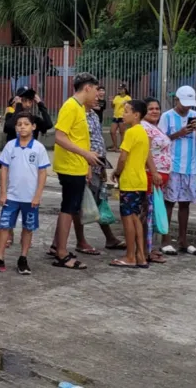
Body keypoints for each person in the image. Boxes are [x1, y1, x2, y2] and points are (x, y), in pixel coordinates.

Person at [0, 114, 49, 275]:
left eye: (26, 124)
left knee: (28, 228)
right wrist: (3, 192)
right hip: (11, 197)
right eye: (19, 124)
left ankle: (23, 258)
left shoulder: (39, 148)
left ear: (33, 127)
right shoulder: (10, 146)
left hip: (30, 198)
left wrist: (37, 196)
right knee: (4, 226)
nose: (22, 127)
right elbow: (4, 169)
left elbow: (42, 173)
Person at [48, 73, 101, 270]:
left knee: (70, 206)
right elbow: (60, 137)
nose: (97, 95)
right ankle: (62, 253)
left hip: (77, 165)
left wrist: (86, 164)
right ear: (87, 88)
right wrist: (84, 155)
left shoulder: (80, 108)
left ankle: (56, 246)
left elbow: (79, 138)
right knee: (69, 208)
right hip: (69, 166)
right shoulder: (70, 106)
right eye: (96, 90)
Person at [157, 86, 196, 256]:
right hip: (172, 166)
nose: (187, 107)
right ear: (176, 100)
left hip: (190, 168)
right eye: (183, 103)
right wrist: (179, 133)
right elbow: (160, 141)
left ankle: (183, 240)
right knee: (169, 203)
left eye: (189, 104)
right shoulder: (167, 116)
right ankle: (165, 239)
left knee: (185, 204)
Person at [73, 92, 124, 256]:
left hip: (98, 164)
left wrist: (102, 167)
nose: (98, 98)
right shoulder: (78, 114)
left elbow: (98, 140)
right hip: (85, 165)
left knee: (100, 201)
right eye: (95, 95)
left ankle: (110, 238)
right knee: (80, 204)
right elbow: (79, 141)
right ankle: (80, 241)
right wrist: (87, 165)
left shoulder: (93, 115)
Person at [111, 100, 151, 268]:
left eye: (126, 111)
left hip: (129, 181)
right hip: (140, 181)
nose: (123, 114)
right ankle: (140, 256)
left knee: (128, 220)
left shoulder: (131, 132)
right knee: (136, 219)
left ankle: (130, 256)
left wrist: (116, 172)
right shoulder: (143, 132)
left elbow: (123, 157)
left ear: (136, 115)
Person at [141, 98, 171, 264]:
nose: (154, 111)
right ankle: (147, 249)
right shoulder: (145, 128)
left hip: (159, 176)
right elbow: (146, 153)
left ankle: (149, 247)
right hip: (152, 175)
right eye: (150, 109)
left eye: (157, 108)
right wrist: (154, 172)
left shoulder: (154, 127)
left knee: (150, 213)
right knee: (148, 213)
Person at [110, 83, 131, 151]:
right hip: (115, 116)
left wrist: (126, 104)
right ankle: (115, 146)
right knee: (112, 131)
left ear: (125, 90)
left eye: (122, 89)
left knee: (122, 132)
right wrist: (111, 102)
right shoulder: (117, 97)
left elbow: (129, 107)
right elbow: (113, 106)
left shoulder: (128, 98)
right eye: (119, 89)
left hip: (122, 117)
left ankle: (122, 147)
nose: (120, 90)